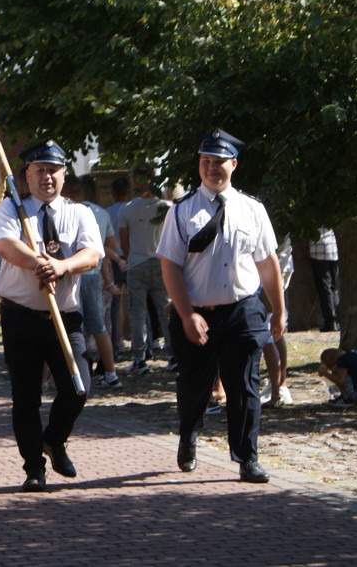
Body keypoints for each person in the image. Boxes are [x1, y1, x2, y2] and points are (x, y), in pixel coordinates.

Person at [158, 127, 284, 484]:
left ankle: (247, 457)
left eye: (218, 162)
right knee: (195, 387)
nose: (211, 168)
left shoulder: (252, 209)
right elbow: (170, 265)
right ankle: (189, 434)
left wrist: (279, 308)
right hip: (195, 313)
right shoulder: (182, 212)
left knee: (244, 383)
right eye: (205, 162)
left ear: (234, 163)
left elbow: (266, 261)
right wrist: (186, 314)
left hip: (242, 310)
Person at [0, 140, 102, 492]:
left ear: (63, 175)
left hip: (64, 318)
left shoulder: (79, 213)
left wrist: (61, 266)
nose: (47, 177)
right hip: (20, 316)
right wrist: (38, 263)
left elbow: (93, 254)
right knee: (25, 397)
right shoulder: (11, 209)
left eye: (53, 170)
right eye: (39, 170)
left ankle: (53, 439)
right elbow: (5, 245)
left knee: (78, 388)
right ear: (27, 175)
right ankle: (33, 468)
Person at [62, 174, 121, 389]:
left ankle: (54, 377)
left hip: (70, 273)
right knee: (98, 326)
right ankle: (111, 373)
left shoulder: (62, 211)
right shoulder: (100, 212)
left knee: (65, 324)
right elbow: (110, 244)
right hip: (94, 273)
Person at [118, 167, 173, 374]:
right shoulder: (164, 207)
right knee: (164, 309)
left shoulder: (127, 209)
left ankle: (140, 358)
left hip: (138, 263)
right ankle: (172, 354)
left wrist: (130, 258)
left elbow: (124, 243)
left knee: (138, 311)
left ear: (134, 181)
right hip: (160, 262)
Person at [261, 236, 294, 408]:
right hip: (274, 264)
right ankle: (278, 387)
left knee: (266, 329)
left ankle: (278, 389)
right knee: (268, 328)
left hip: (268, 266)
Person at [105, 176, 132, 357]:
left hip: (115, 258)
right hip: (132, 256)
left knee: (116, 303)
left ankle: (117, 340)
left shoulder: (107, 211)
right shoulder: (133, 209)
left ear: (113, 194)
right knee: (138, 302)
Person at [309, 227, 340, 332]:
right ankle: (336, 319)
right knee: (333, 287)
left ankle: (331, 320)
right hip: (333, 247)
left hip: (318, 248)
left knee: (324, 287)